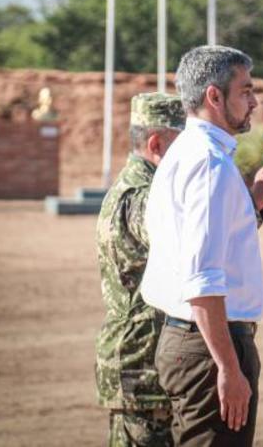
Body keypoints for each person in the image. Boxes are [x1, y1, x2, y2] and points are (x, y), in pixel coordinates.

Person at [141, 46, 263, 446]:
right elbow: (202, 279)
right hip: (208, 347)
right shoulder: (209, 164)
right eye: (246, 90)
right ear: (214, 96)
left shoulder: (184, 153)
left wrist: (254, 199)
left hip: (190, 340)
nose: (254, 101)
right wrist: (228, 367)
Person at [96, 92, 186, 447]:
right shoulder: (140, 195)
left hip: (145, 362)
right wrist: (251, 203)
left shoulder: (138, 188)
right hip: (141, 366)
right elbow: (189, 240)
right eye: (183, 145)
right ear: (156, 144)